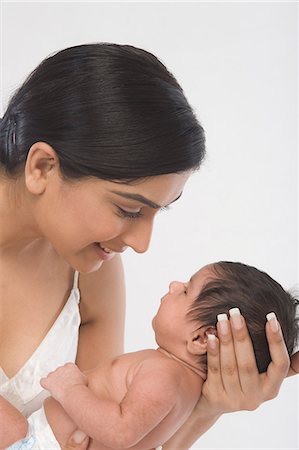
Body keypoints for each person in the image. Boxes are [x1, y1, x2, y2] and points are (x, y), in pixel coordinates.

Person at [0, 43, 297, 450]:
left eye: (160, 212)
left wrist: (203, 411)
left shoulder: (92, 269)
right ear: (42, 168)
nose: (141, 244)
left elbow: (92, 444)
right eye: (128, 208)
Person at [3, 261, 299, 450]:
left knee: (12, 426)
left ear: (201, 338)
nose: (174, 284)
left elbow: (120, 432)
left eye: (186, 290)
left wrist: (71, 388)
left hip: (40, 443)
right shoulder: (186, 389)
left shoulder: (166, 376)